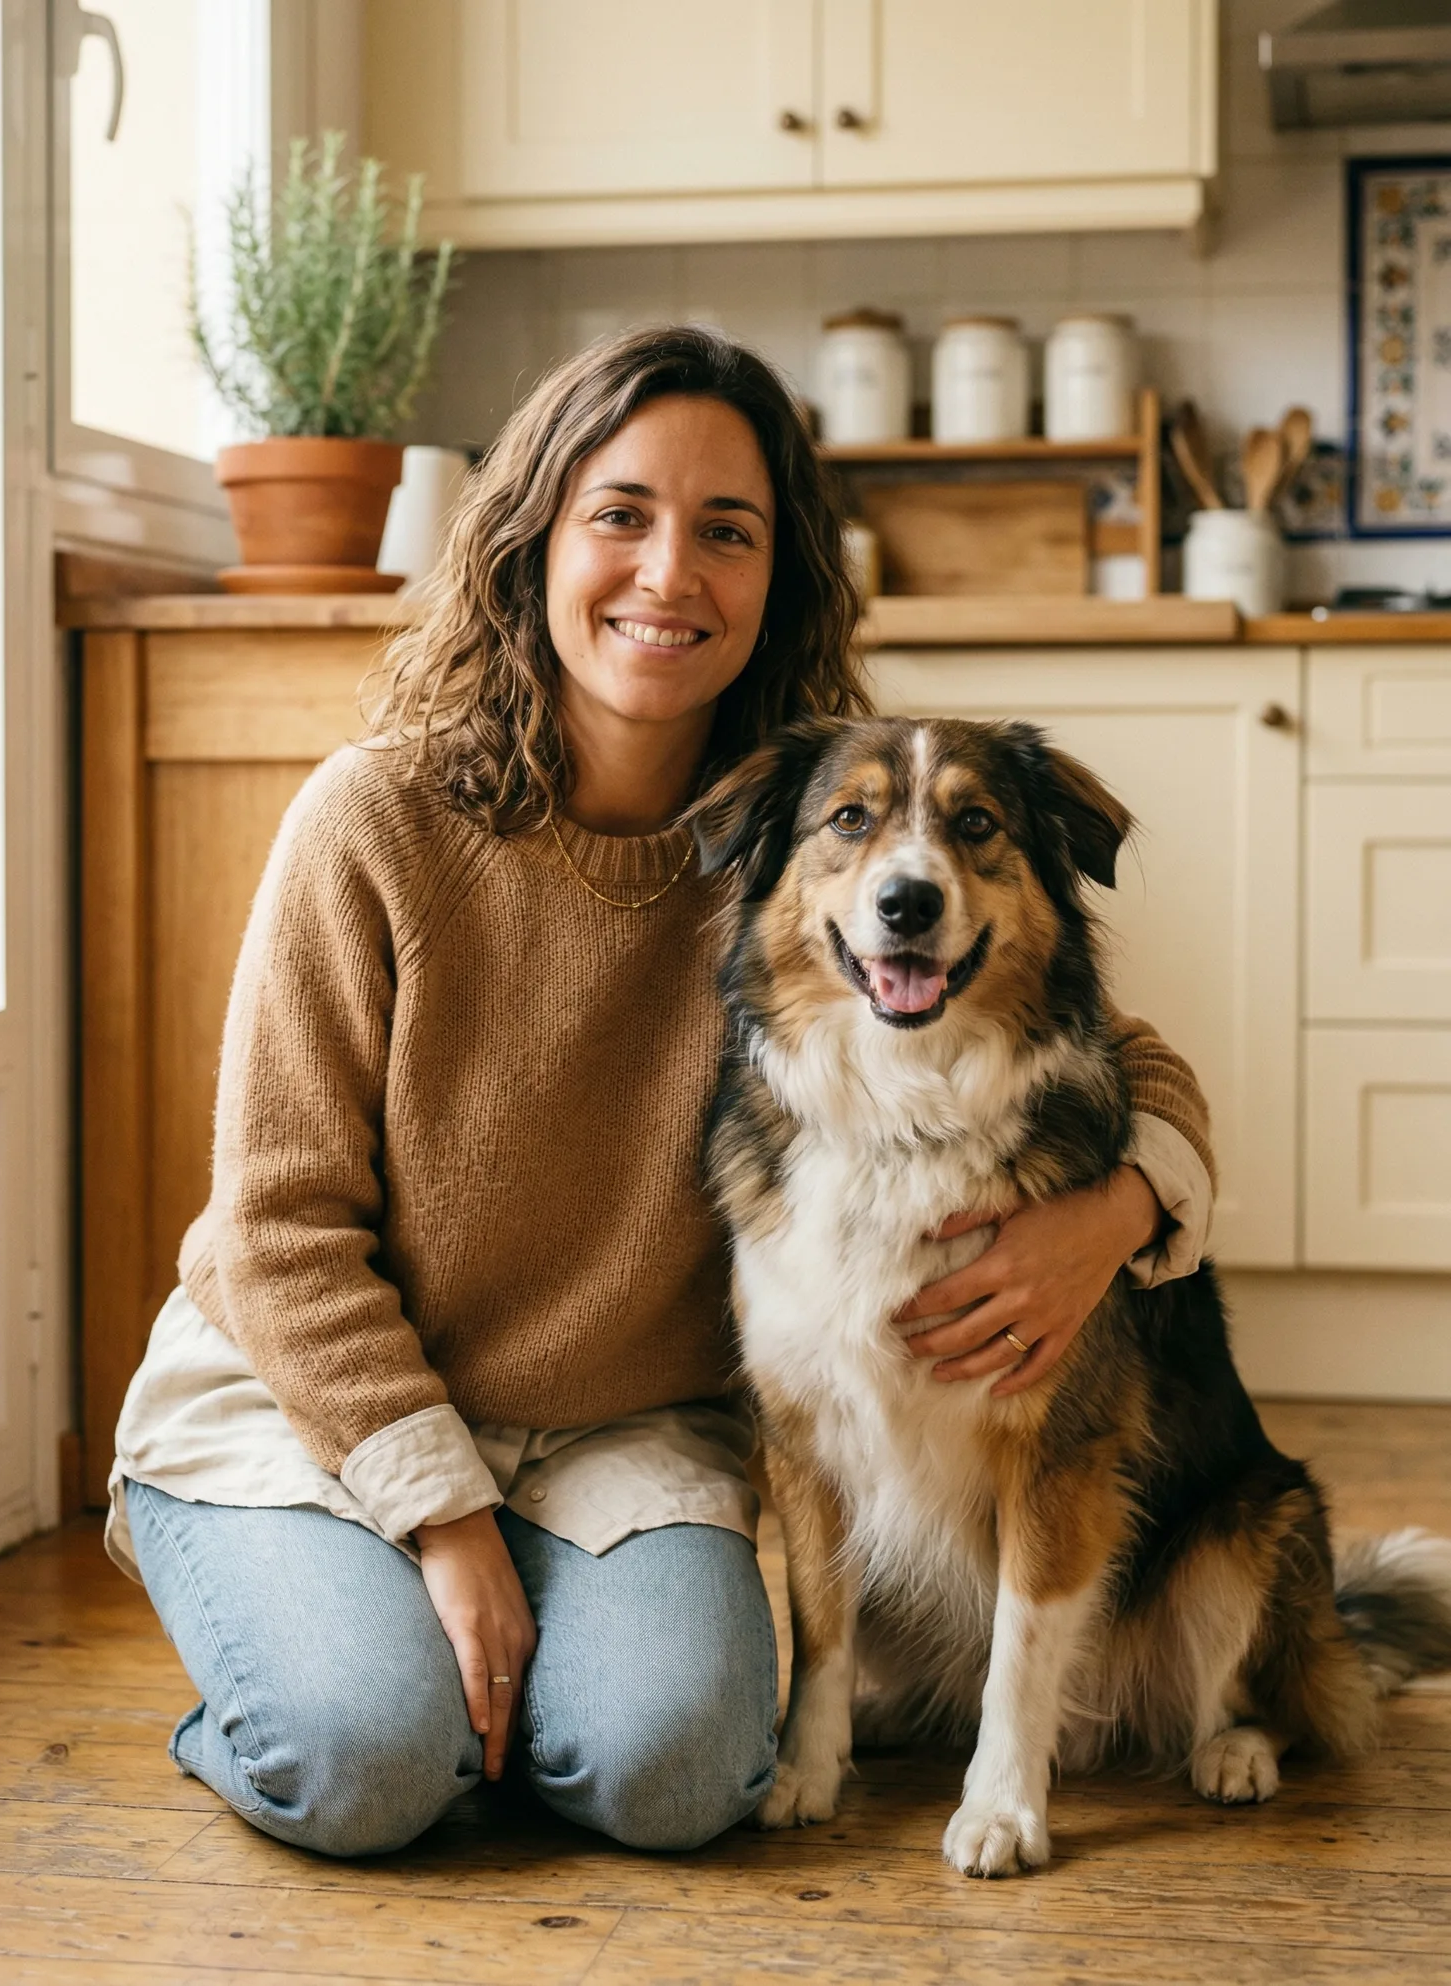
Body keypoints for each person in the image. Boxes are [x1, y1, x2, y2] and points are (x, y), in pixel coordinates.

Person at [106, 326, 1215, 1858]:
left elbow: (1105, 1046)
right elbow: (276, 1229)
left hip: (618, 1434)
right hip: (316, 1407)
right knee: (361, 1758)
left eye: (729, 531)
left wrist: (1122, 1211)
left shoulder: (806, 827)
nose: (669, 571)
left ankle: (466, 1700)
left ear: (782, 579)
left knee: (684, 1771)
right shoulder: (373, 818)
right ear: (534, 538)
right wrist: (444, 1518)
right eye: (620, 513)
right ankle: (335, 1693)